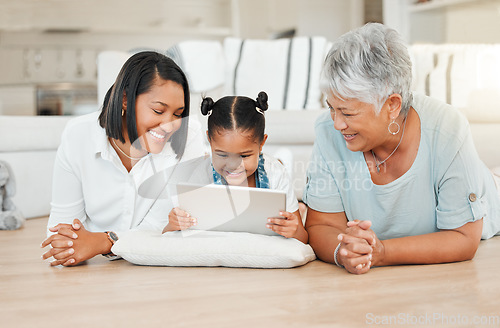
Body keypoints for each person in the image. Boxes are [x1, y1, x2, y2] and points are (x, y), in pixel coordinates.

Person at [303, 23, 500, 274]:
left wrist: (382, 252)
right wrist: (343, 253)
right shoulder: (327, 131)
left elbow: (463, 237)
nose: (337, 123)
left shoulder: (448, 128)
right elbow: (321, 225)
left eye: (347, 112)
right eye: (331, 107)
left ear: (392, 105)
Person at [41, 51, 205, 266]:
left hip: (161, 273)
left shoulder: (189, 136)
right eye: (158, 110)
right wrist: (70, 247)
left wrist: (104, 242)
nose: (170, 125)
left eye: (177, 114)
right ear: (126, 99)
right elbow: (62, 228)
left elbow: (166, 228)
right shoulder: (78, 135)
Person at [162, 92, 308, 244]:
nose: (233, 166)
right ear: (209, 141)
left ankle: (300, 209)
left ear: (261, 143)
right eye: (222, 155)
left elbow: (303, 238)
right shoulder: (200, 174)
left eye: (244, 156)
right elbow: (169, 236)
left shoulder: (275, 173)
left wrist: (293, 230)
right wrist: (173, 225)